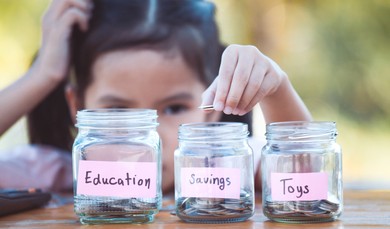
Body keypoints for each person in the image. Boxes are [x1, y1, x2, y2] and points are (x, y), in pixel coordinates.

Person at [0, 0, 312, 194]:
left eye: (174, 107)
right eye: (118, 110)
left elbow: (306, 172)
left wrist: (277, 88)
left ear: (211, 107)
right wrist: (41, 77)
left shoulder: (225, 167)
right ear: (78, 108)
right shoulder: (55, 173)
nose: (146, 138)